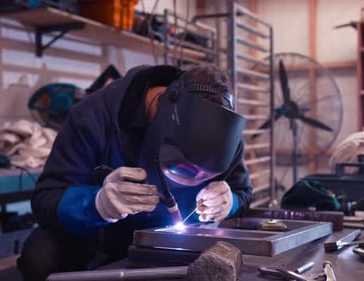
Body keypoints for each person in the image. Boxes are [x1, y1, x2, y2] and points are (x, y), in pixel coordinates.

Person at [17, 64, 253, 281]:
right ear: (161, 102)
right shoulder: (93, 118)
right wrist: (97, 205)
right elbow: (45, 201)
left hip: (174, 244)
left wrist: (228, 202)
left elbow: (243, 193)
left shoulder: (225, 134)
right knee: (40, 255)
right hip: (100, 239)